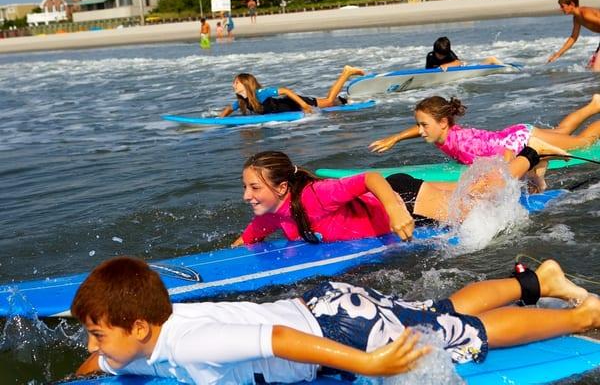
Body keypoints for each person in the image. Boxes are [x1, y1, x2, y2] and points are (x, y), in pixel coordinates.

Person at [72, 256, 599, 384]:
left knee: (462, 337)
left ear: (139, 326)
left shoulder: (189, 344)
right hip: (328, 305)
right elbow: (104, 360)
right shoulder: (148, 332)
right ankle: (540, 281)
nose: (95, 344)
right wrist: (82, 369)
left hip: (338, 331)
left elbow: (276, 339)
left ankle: (580, 317)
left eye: (98, 333)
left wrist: (370, 362)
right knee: (438, 312)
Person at [232, 145, 558, 247]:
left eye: (254, 187)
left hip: (403, 200)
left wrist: (396, 210)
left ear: (282, 188)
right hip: (396, 200)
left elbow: (369, 178)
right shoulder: (273, 212)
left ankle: (528, 157)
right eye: (246, 187)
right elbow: (253, 235)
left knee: (478, 199)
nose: (247, 195)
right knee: (471, 191)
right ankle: (530, 173)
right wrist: (241, 244)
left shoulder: (317, 194)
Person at [369, 95, 600, 190]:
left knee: (583, 142)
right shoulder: (441, 131)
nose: (420, 131)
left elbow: (505, 153)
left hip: (520, 140)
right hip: (515, 133)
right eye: (418, 125)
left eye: (423, 126)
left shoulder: (462, 144)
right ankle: (594, 105)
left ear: (442, 122)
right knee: (561, 131)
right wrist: (395, 138)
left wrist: (514, 179)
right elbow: (422, 125)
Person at [219, 66, 363, 117]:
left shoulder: (260, 93)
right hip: (291, 106)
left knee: (329, 101)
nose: (233, 85)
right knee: (330, 102)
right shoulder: (243, 101)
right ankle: (345, 100)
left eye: (236, 83)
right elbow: (229, 109)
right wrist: (219, 119)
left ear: (246, 84)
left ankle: (347, 73)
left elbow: (285, 90)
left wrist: (305, 106)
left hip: (295, 103)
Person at [547, 0, 600, 71]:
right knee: (590, 68)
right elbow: (573, 38)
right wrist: (558, 54)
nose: (560, 9)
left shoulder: (585, 14)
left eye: (562, 6)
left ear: (571, 4)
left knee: (596, 68)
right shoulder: (576, 18)